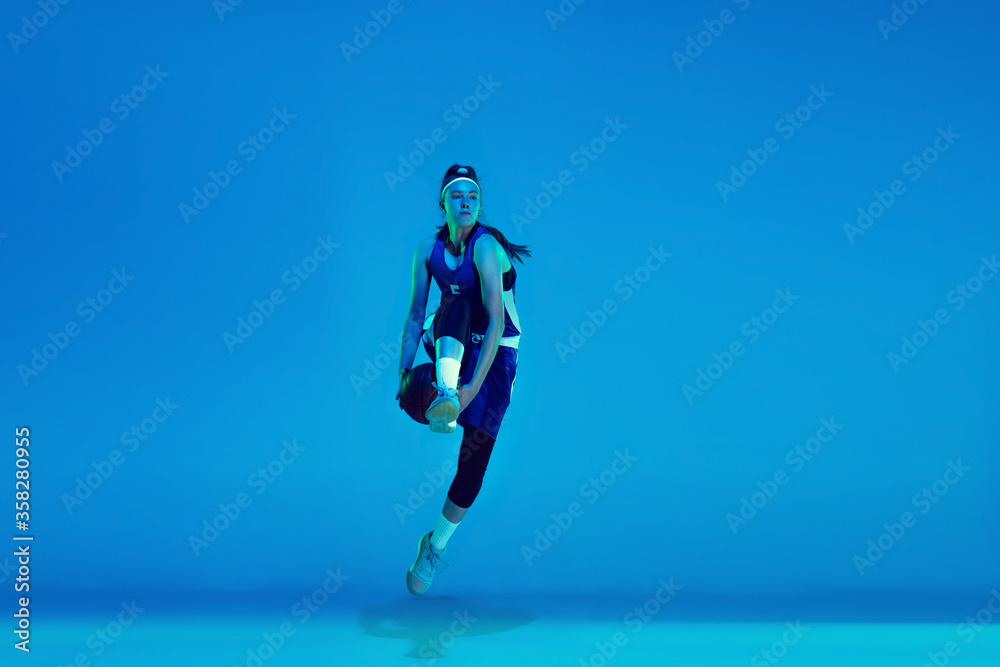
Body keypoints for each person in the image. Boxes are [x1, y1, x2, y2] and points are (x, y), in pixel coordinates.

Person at [396, 164, 531, 596]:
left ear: (479, 203)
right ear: (443, 202)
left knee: (473, 463)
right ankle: (446, 391)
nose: (466, 201)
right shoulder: (426, 250)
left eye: (472, 195)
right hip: (452, 337)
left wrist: (473, 389)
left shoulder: (486, 247)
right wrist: (403, 374)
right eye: (457, 195)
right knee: (450, 307)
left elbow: (495, 322)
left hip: (496, 348)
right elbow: (417, 316)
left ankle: (434, 545)